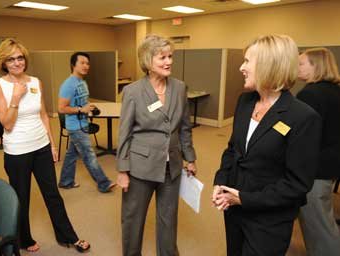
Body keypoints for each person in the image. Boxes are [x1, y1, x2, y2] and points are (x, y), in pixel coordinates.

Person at [212, 35, 322, 256]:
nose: (241, 67)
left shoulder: (302, 116)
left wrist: (245, 198)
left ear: (268, 65)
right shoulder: (245, 102)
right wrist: (221, 182)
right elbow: (233, 150)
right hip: (233, 209)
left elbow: (297, 184)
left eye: (247, 61)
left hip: (268, 220)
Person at [0, 38, 90, 253]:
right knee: (21, 198)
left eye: (20, 58)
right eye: (11, 59)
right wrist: (16, 98)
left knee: (52, 193)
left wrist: (53, 145)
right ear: (3, 62)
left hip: (41, 146)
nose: (17, 63)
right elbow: (6, 124)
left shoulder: (36, 81)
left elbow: (44, 115)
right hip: (17, 150)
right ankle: (23, 239)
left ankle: (68, 236)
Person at [116, 35, 197, 256]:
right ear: (148, 60)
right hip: (140, 167)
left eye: (170, 56)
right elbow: (124, 133)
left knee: (168, 220)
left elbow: (184, 127)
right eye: (162, 57)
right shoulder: (133, 91)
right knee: (133, 220)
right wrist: (123, 170)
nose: (168, 61)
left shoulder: (179, 88)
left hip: (172, 166)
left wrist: (190, 157)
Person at [296, 47, 340, 256]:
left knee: (319, 227)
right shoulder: (335, 90)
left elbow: (301, 136)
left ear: (316, 66)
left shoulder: (310, 94)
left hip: (314, 170)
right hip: (331, 166)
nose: (296, 67)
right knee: (324, 216)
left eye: (301, 63)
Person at [57, 52, 115, 193]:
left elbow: (82, 101)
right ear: (73, 65)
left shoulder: (82, 82)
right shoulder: (68, 84)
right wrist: (80, 109)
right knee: (89, 155)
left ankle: (66, 181)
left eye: (87, 63)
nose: (86, 66)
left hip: (83, 124)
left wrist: (89, 106)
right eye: (82, 62)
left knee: (71, 155)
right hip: (75, 126)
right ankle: (103, 183)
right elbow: (61, 108)